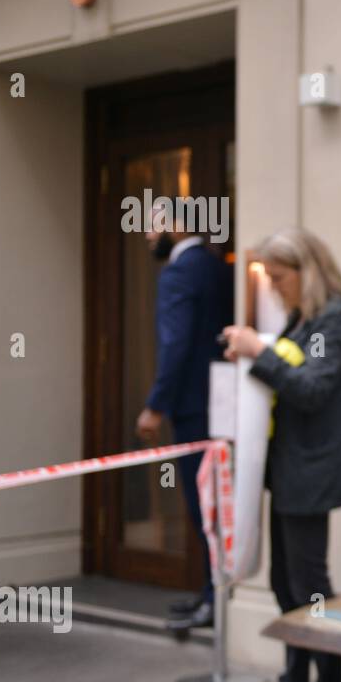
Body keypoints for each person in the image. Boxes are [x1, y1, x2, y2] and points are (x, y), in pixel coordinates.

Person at [225, 227, 341, 682]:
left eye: (279, 277)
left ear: (306, 271)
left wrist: (256, 354)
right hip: (291, 467)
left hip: (314, 469)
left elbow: (312, 388)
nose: (274, 287)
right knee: (289, 587)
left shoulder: (336, 319)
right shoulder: (305, 319)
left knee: (310, 588)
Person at [136, 210, 233, 633]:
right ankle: (213, 593)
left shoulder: (179, 273)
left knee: (202, 506)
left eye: (153, 225)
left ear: (177, 225)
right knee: (214, 503)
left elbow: (175, 343)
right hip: (222, 404)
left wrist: (156, 404)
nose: (146, 235)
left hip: (194, 408)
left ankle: (215, 600)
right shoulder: (215, 265)